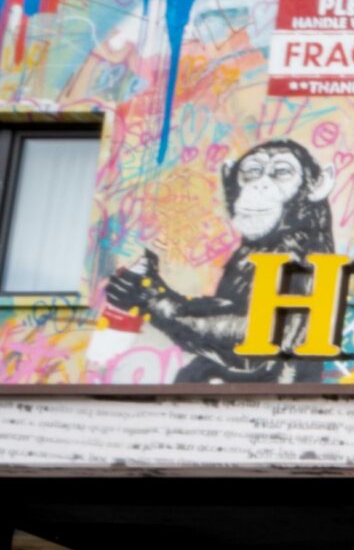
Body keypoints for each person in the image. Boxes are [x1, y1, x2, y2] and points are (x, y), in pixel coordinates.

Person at [101, 139, 337, 383]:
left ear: (317, 185)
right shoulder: (260, 247)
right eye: (252, 172)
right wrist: (160, 295)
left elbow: (258, 338)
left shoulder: (299, 250)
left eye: (281, 172)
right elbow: (234, 311)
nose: (260, 186)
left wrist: (154, 301)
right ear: (229, 178)